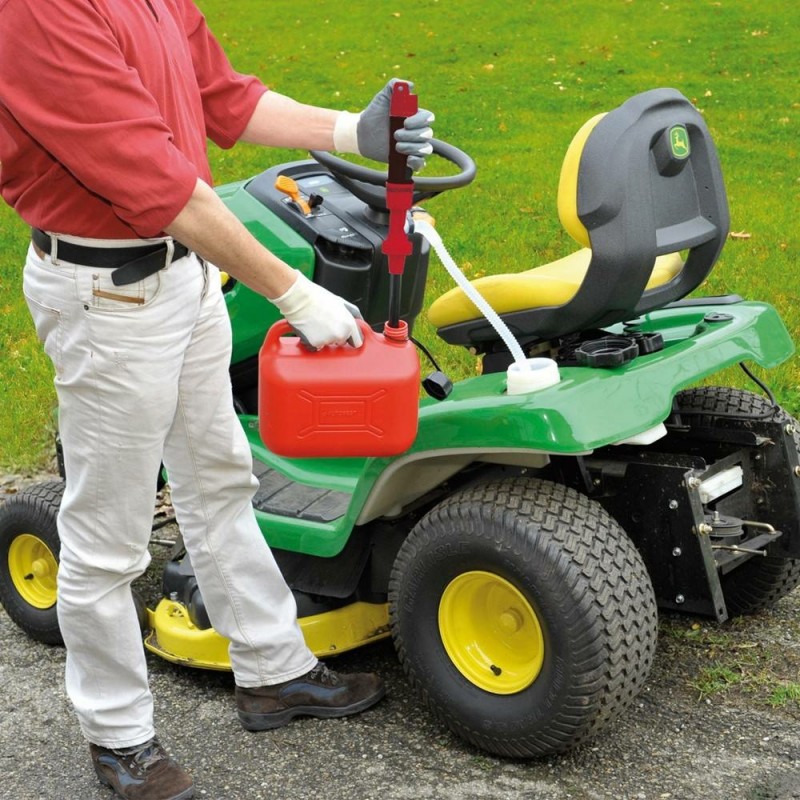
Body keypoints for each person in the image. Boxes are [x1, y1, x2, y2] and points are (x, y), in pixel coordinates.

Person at [0, 1, 434, 798]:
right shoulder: (35, 14)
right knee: (108, 534)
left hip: (184, 274)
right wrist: (294, 293)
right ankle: (119, 736)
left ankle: (272, 670)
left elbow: (225, 97)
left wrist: (351, 133)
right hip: (109, 294)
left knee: (219, 479)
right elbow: (160, 186)